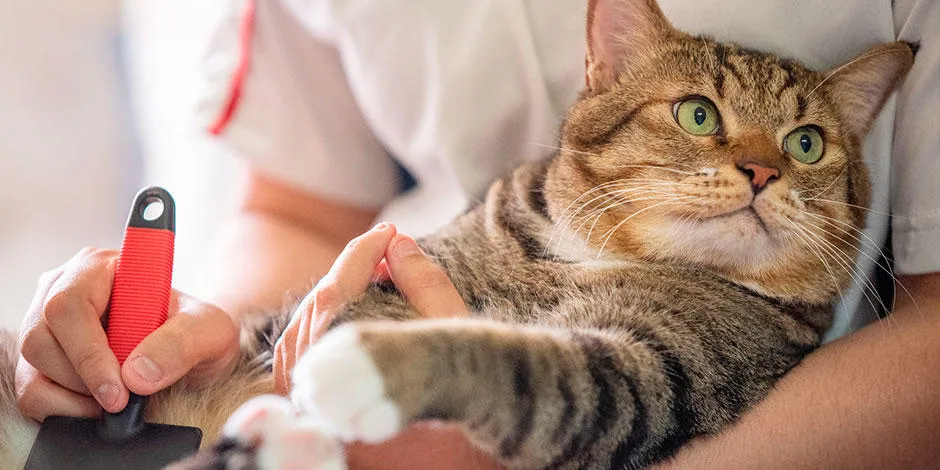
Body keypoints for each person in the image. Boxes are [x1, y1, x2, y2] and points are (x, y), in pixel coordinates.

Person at [15, 0, 939, 468]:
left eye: (803, 144)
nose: (759, 165)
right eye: (708, 121)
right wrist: (184, 339)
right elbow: (296, 206)